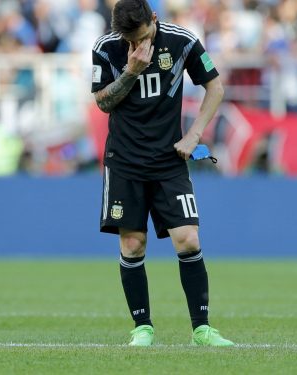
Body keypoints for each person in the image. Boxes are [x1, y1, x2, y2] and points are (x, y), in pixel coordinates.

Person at [91, 0, 232, 347]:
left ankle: (202, 328)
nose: (136, 46)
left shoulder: (182, 41)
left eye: (140, 38)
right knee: (133, 244)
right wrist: (130, 72)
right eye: (129, 40)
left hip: (169, 159)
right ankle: (142, 328)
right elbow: (102, 101)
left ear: (154, 19)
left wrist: (195, 134)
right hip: (124, 160)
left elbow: (215, 86)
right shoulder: (106, 47)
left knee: (188, 238)